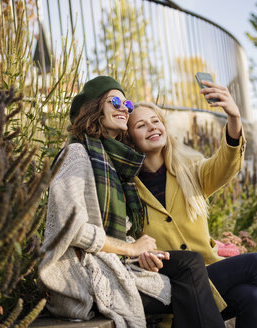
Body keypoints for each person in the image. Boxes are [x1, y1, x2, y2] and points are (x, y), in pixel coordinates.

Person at [39, 76, 226, 328]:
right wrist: (131, 249)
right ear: (94, 108)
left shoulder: (114, 163)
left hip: (116, 264)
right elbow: (71, 228)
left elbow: (121, 230)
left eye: (126, 104)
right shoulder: (76, 154)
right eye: (114, 101)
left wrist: (141, 251)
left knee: (195, 271)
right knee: (191, 271)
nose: (123, 108)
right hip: (81, 277)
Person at [125, 80, 257, 328]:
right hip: (169, 286)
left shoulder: (189, 167)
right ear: (129, 138)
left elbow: (224, 167)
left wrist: (234, 119)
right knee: (255, 262)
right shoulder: (127, 186)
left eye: (156, 121)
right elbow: (126, 240)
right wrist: (139, 254)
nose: (152, 127)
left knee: (251, 296)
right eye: (141, 125)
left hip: (207, 278)